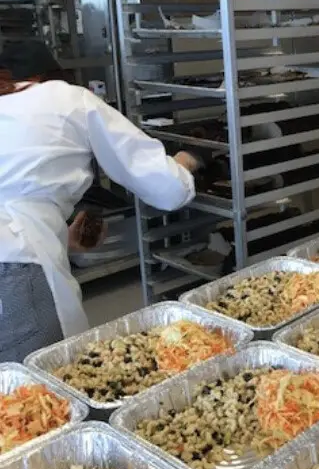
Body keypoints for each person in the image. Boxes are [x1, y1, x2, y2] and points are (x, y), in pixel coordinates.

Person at [0, 40, 201, 361]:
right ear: (47, 76)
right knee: (41, 389)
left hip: (19, 249)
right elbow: (166, 188)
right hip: (15, 274)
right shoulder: (65, 98)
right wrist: (187, 161)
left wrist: (61, 238)